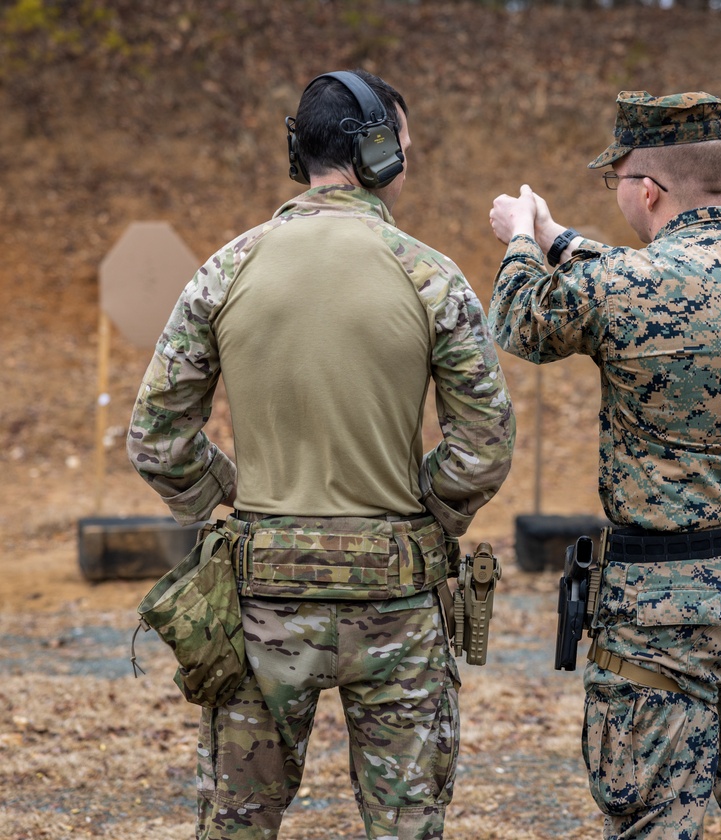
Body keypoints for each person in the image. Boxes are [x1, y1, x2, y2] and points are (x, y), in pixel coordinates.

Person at [128, 68, 515, 840]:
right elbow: (484, 447)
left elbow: (158, 438)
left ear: (297, 150)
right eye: (404, 140)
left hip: (262, 601)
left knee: (238, 825)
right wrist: (418, 510)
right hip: (396, 604)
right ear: (379, 153)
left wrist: (240, 500)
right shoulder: (431, 277)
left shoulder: (226, 271)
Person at [488, 91, 721, 839]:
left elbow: (519, 321)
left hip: (667, 612)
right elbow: (663, 286)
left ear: (647, 188)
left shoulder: (628, 287)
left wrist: (518, 239)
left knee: (656, 824)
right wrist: (557, 239)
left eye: (618, 179)